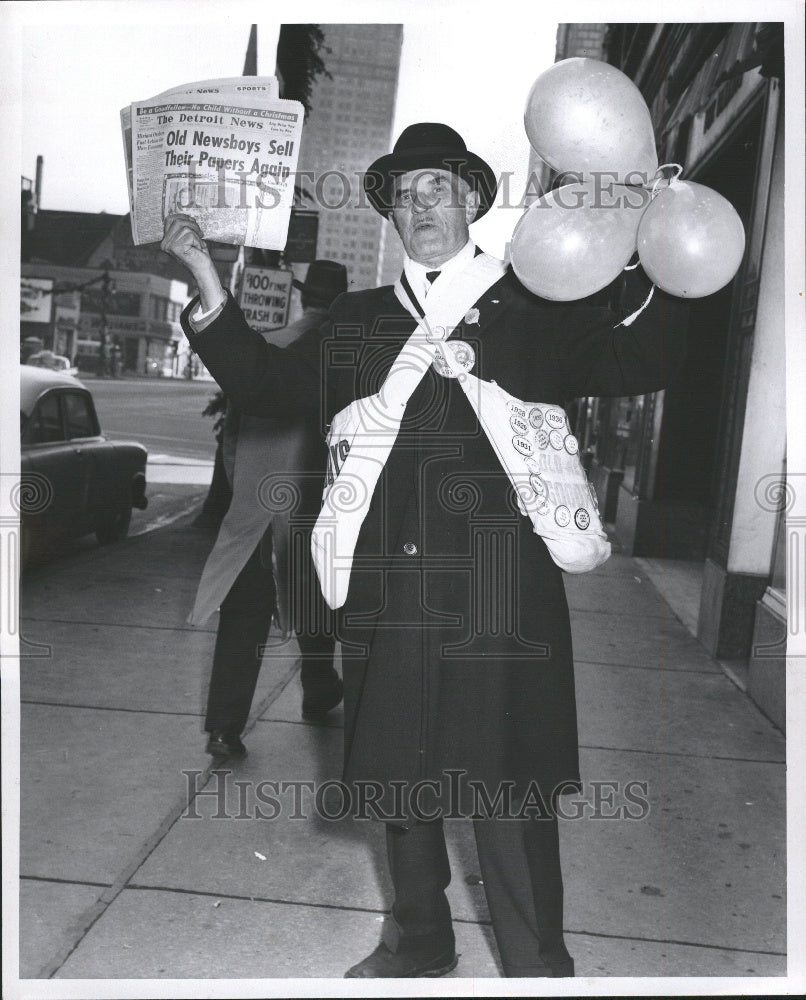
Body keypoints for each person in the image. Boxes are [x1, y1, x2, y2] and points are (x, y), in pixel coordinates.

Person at [162, 122, 689, 977]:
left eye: (437, 190)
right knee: (401, 778)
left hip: (500, 594)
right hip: (390, 590)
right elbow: (263, 380)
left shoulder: (536, 303)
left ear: (473, 200)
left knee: (507, 788)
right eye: (405, 198)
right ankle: (418, 940)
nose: (421, 209)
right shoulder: (361, 321)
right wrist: (202, 277)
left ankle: (536, 964)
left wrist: (665, 250)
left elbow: (646, 354)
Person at [189, 261, 348, 758]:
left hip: (257, 506)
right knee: (320, 603)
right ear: (342, 300)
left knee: (244, 612)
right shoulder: (348, 353)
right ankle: (319, 687)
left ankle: (223, 728)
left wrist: (245, 491)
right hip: (317, 508)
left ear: (303, 298)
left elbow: (231, 441)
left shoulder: (261, 348)